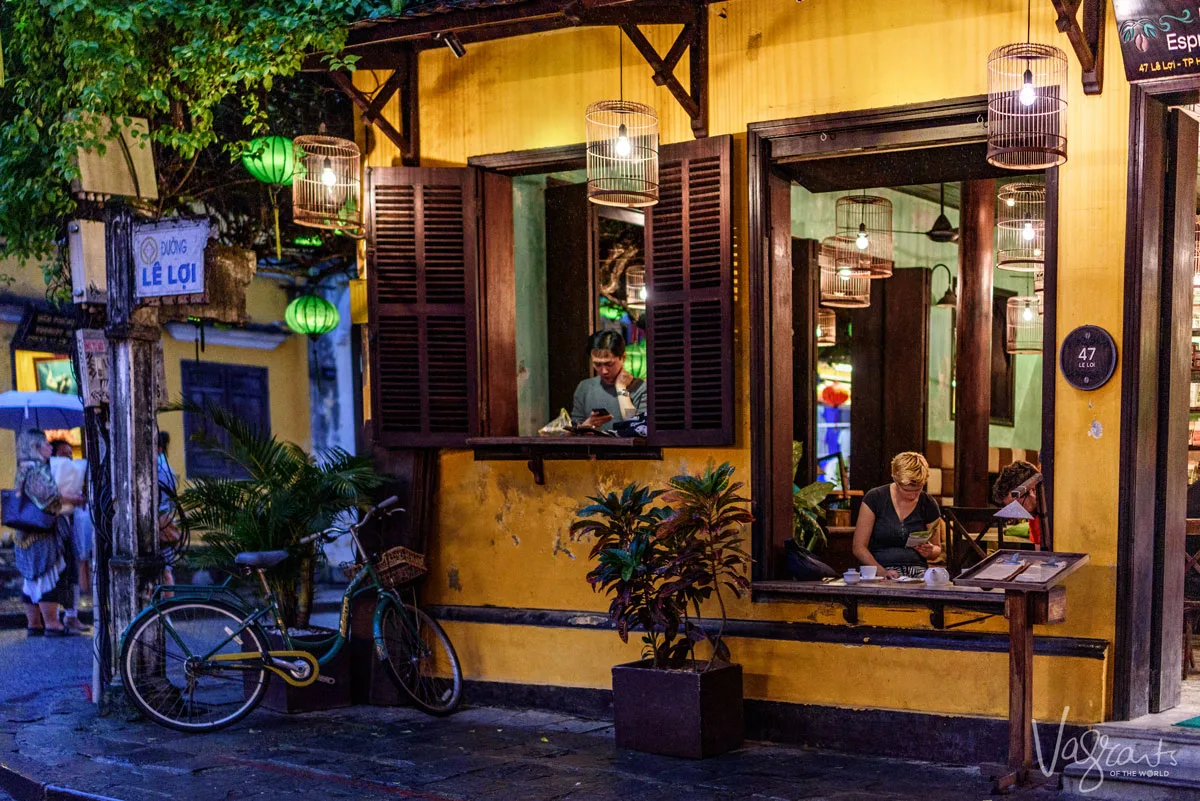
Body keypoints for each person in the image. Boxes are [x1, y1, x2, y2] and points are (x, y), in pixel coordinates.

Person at [13, 429, 85, 636]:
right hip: (41, 533)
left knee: (32, 580)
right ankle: (52, 623)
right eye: (45, 444)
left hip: (27, 533)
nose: (48, 447)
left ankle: (34, 624)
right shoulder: (36, 471)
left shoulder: (25, 468)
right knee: (47, 576)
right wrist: (72, 499)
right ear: (35, 447)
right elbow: (49, 499)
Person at [852, 452, 945, 579]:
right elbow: (859, 547)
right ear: (895, 479)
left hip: (917, 572)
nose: (912, 495)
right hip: (880, 570)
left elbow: (937, 549)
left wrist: (930, 551)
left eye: (918, 490)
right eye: (906, 490)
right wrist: (882, 571)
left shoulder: (928, 503)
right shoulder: (875, 498)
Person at [49, 439, 89, 633]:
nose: (68, 458)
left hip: (69, 521)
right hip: (53, 524)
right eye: (63, 453)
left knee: (71, 567)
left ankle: (71, 615)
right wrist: (71, 498)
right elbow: (50, 497)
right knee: (56, 569)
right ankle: (55, 617)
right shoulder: (44, 474)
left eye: (69, 454)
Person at [570, 331, 647, 432]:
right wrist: (588, 424)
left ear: (623, 357)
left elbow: (634, 425)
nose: (604, 371)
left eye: (609, 364)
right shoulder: (585, 387)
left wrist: (621, 389)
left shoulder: (641, 388)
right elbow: (575, 431)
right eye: (597, 364)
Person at [992, 460, 1044, 546]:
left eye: (1017, 506)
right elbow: (1041, 554)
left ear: (1033, 490)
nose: (1018, 514)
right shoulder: (1034, 517)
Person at [157, 431, 178, 586]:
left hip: (160, 522)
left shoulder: (159, 468)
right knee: (166, 570)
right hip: (165, 519)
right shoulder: (166, 467)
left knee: (164, 571)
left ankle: (167, 608)